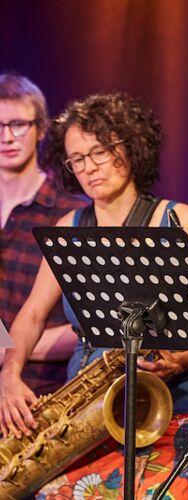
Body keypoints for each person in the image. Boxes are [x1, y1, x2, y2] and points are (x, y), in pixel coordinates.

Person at [0, 92, 188, 499]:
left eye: (100, 152)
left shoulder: (180, 220)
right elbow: (31, 316)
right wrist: (10, 375)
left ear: (131, 147)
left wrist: (178, 359)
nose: (89, 167)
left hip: (170, 412)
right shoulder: (68, 227)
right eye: (77, 158)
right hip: (84, 420)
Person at [0, 72, 87, 396]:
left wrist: (10, 351)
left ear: (40, 129)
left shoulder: (72, 214)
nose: (7, 137)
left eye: (18, 125)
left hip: (42, 394)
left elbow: (94, 327)